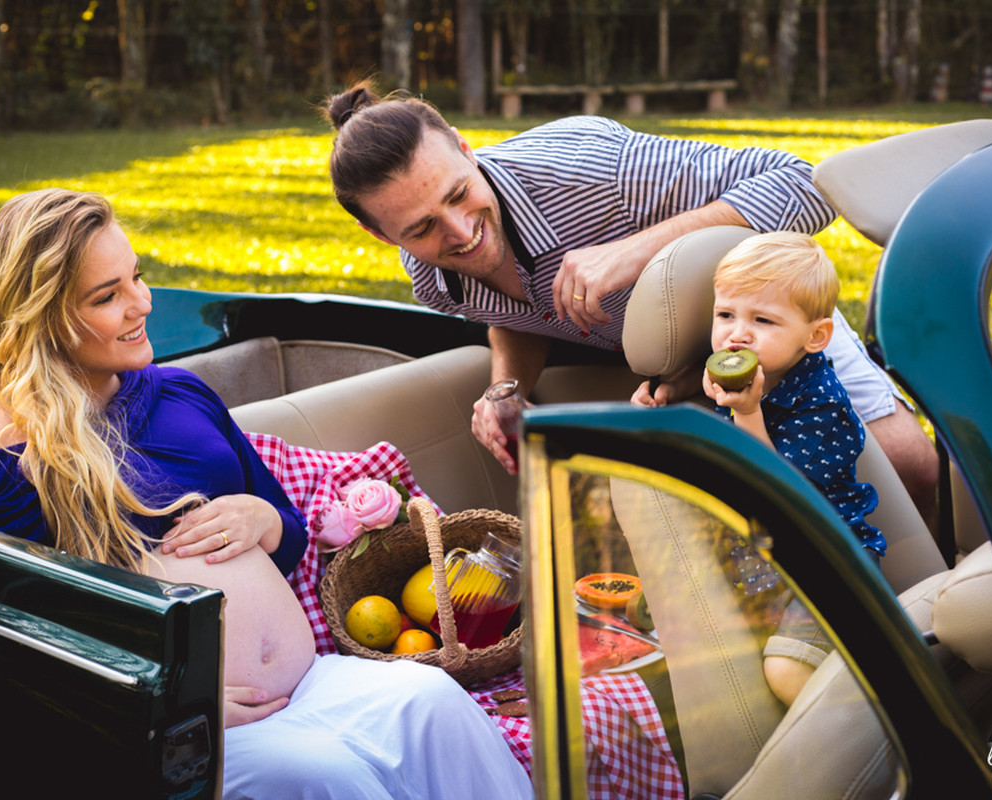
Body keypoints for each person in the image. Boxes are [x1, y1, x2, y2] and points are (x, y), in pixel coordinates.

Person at [0, 188, 534, 800]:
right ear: (41, 316)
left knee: (430, 698)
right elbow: (10, 638)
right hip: (186, 727)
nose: (141, 303)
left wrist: (261, 517)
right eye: (107, 296)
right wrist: (156, 701)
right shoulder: (1, 448)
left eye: (135, 277)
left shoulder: (179, 394)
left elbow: (290, 533)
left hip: (309, 681)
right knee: (327, 775)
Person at [320, 81, 937, 529]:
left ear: (465, 147)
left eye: (460, 194)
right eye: (422, 228)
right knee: (755, 524)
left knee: (911, 472)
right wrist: (505, 389)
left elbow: (805, 184)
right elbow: (512, 312)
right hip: (665, 379)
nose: (459, 232)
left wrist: (632, 252)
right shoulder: (429, 279)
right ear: (382, 235)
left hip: (760, 320)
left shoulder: (587, 165)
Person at [631, 231, 884, 705]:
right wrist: (663, 413)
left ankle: (875, 741)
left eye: (762, 320)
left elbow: (776, 491)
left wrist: (747, 413)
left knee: (787, 673)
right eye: (725, 315)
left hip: (823, 570)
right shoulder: (751, 380)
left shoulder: (822, 404)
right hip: (761, 569)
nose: (736, 334)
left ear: (815, 336)